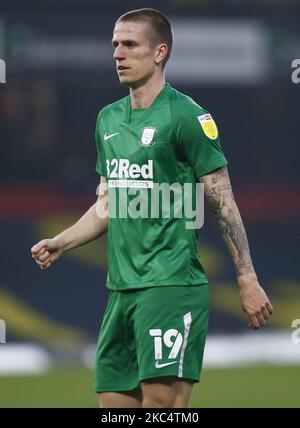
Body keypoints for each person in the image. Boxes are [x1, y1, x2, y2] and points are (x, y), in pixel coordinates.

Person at [31, 8, 273, 408]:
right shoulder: (107, 119)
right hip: (120, 291)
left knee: (161, 408)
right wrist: (63, 241)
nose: (118, 54)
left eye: (130, 44)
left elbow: (222, 202)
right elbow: (108, 203)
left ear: (160, 52)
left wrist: (246, 278)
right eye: (114, 45)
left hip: (170, 287)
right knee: (114, 407)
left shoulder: (187, 117)